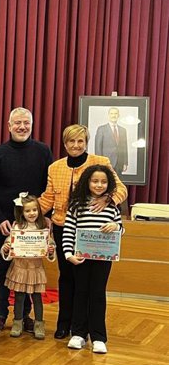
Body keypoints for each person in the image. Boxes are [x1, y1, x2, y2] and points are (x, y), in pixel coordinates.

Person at [38, 124, 127, 339]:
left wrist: (108, 199)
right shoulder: (55, 167)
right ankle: (64, 324)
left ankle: (87, 328)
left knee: (89, 282)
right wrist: (24, 216)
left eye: (80, 141)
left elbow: (121, 189)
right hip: (64, 229)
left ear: (86, 142)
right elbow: (48, 198)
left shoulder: (101, 162)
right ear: (65, 143)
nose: (76, 145)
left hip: (94, 233)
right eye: (71, 141)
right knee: (66, 278)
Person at [0, 107, 53, 334]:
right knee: (3, 271)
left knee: (29, 272)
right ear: (9, 125)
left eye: (26, 123)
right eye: (18, 123)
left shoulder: (43, 151)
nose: (22, 127)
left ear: (31, 125)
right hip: (6, 224)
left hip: (34, 225)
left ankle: (23, 316)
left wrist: (44, 219)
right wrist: (0, 219)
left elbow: (48, 188)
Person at [63, 165, 123, 354]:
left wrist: (115, 227)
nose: (99, 185)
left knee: (98, 294)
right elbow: (68, 231)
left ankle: (98, 337)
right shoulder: (76, 205)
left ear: (109, 184)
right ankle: (78, 334)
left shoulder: (112, 207)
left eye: (103, 181)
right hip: (80, 258)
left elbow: (121, 229)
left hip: (103, 259)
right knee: (80, 293)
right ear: (87, 182)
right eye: (95, 181)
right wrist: (68, 254)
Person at [0, 193, 56, 340]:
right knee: (19, 297)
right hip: (20, 267)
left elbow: (50, 244)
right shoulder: (17, 226)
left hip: (35, 268)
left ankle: (39, 324)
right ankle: (17, 323)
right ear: (21, 212)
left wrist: (51, 250)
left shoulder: (43, 226)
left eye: (34, 210)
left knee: (37, 298)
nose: (32, 213)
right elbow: (8, 242)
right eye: (27, 211)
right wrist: (6, 247)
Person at [94, 107, 128, 175]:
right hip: (106, 163)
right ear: (108, 115)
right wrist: (100, 163)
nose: (113, 115)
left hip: (119, 163)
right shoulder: (101, 129)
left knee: (118, 184)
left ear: (118, 115)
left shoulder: (123, 130)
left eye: (115, 113)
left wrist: (125, 163)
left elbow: (125, 147)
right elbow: (98, 147)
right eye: (111, 113)